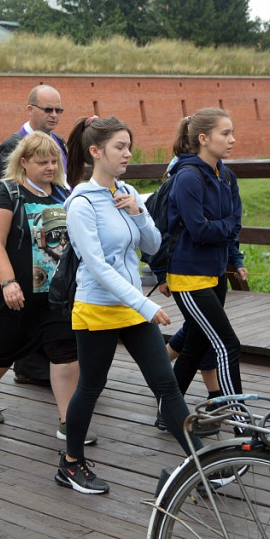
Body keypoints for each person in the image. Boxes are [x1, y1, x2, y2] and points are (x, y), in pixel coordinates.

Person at [56, 115, 197, 494]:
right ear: (95, 151)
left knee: (166, 384)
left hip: (133, 307)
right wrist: (147, 306)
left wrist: (138, 211)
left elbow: (153, 245)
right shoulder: (81, 203)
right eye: (119, 147)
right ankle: (71, 463)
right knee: (91, 385)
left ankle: (200, 463)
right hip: (98, 306)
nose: (127, 153)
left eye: (129, 146)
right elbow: (97, 266)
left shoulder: (128, 191)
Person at [0, 131, 93, 443]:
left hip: (55, 296)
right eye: (42, 162)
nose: (50, 167)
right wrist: (8, 283)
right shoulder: (7, 193)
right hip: (14, 296)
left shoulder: (63, 194)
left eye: (54, 161)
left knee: (66, 353)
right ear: (24, 162)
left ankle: (69, 421)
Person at [163, 110, 246, 419]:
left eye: (232, 132)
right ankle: (241, 422)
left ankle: (167, 409)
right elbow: (198, 230)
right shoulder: (187, 177)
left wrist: (229, 243)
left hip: (215, 270)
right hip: (188, 275)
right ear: (203, 138)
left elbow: (234, 225)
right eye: (225, 133)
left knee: (197, 342)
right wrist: (224, 226)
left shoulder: (226, 175)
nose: (232, 139)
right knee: (227, 345)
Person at [0, 84, 69, 386]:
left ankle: (48, 364)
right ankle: (27, 367)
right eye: (47, 109)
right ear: (30, 109)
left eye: (58, 109)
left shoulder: (56, 141)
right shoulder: (12, 145)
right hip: (23, 244)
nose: (53, 115)